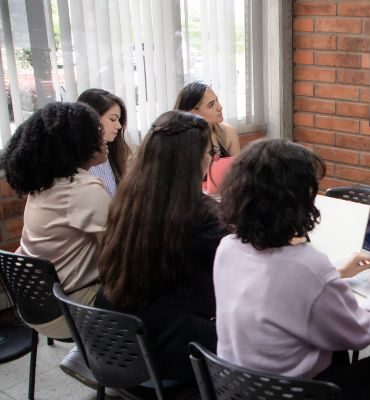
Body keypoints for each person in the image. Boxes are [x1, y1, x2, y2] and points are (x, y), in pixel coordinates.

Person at [213, 139, 370, 399]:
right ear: (298, 202)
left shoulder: (227, 248)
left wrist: (336, 272)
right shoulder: (308, 266)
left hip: (237, 386)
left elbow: (278, 288)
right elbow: (362, 333)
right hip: (292, 392)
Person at [95, 111, 227, 384]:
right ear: (193, 160)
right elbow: (229, 281)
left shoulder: (126, 200)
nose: (213, 157)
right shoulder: (202, 217)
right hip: (171, 350)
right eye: (210, 151)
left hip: (117, 337)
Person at [2, 102, 111, 389]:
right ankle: (108, 361)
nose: (104, 138)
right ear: (77, 143)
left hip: (35, 305)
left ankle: (89, 353)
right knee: (154, 283)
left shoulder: (45, 186)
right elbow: (125, 250)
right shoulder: (82, 189)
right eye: (97, 131)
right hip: (69, 312)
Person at [78, 88, 131, 196]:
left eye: (119, 120)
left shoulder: (112, 154)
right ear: (92, 119)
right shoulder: (75, 162)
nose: (119, 126)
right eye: (112, 119)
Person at [174, 81, 241, 157]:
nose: (220, 107)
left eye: (217, 100)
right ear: (193, 113)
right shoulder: (178, 140)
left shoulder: (229, 132)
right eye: (211, 105)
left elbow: (238, 168)